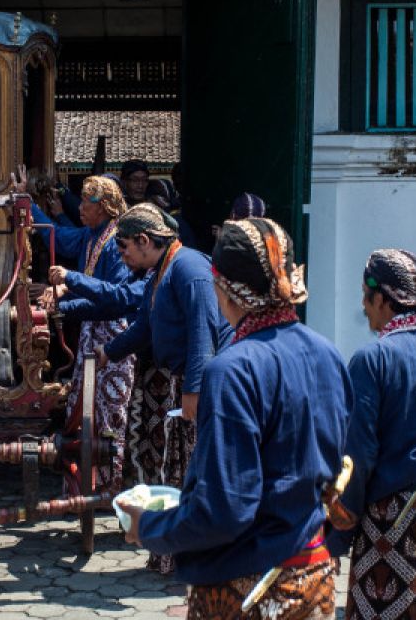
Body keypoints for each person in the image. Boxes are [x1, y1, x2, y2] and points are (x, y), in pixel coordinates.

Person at [119, 218, 351, 619]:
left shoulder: (232, 370)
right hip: (315, 577)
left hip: (251, 585)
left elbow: (225, 509)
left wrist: (150, 527)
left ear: (224, 288)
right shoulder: (326, 351)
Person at [330, 249, 416, 619]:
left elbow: (358, 455)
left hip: (394, 515)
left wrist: (339, 533)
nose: (363, 306)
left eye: (365, 295)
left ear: (383, 299)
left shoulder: (371, 359)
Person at [99, 202, 233, 573]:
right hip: (185, 384)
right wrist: (109, 353)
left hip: (204, 387)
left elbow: (202, 334)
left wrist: (193, 391)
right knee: (176, 470)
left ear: (144, 240)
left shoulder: (189, 268)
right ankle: (174, 555)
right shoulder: (161, 271)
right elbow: (145, 326)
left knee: (196, 470)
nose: (122, 256)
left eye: (124, 247)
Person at [28, 174, 136, 497]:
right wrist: (29, 206)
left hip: (113, 335)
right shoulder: (90, 235)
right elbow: (58, 238)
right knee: (82, 406)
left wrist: (66, 289)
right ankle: (83, 486)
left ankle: (107, 490)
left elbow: (115, 296)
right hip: (91, 333)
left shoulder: (117, 243)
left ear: (101, 207)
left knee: (109, 415)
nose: (79, 209)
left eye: (85, 202)